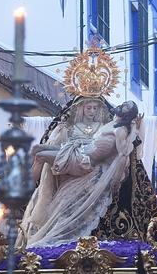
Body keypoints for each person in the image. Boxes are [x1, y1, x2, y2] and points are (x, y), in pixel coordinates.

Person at [20, 99, 140, 247]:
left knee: (39, 156)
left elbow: (122, 153)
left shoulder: (121, 130)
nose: (121, 105)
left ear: (128, 114)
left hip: (83, 161)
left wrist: (115, 178)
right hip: (77, 151)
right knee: (36, 149)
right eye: (123, 103)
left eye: (125, 106)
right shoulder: (112, 123)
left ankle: (24, 190)